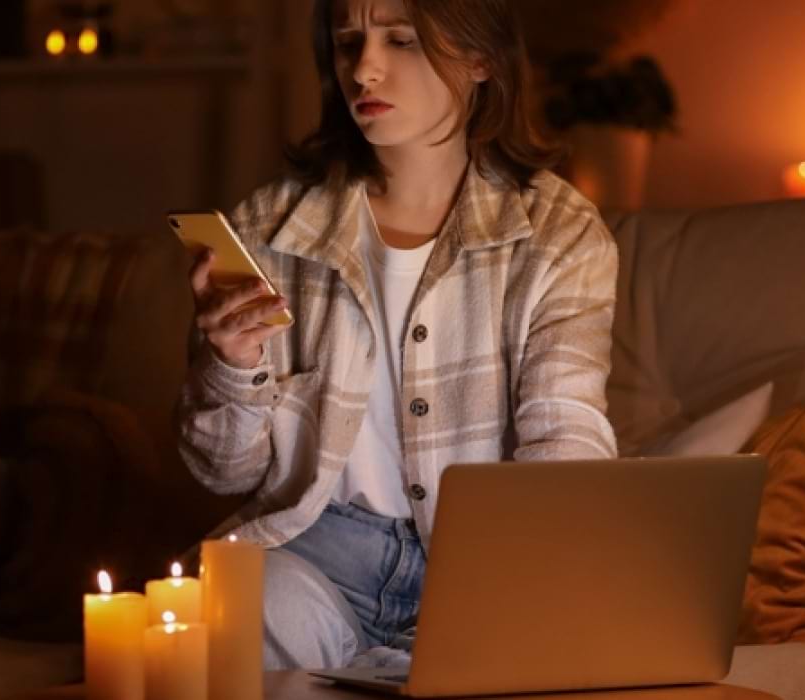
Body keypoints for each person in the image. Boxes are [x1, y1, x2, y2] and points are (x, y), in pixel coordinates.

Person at [178, 0, 618, 671]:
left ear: (480, 59)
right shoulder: (267, 227)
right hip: (316, 557)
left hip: (485, 564)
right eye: (348, 42)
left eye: (403, 41)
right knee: (233, 613)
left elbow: (566, 437)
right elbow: (222, 472)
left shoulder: (560, 232)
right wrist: (230, 366)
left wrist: (514, 590)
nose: (365, 69)